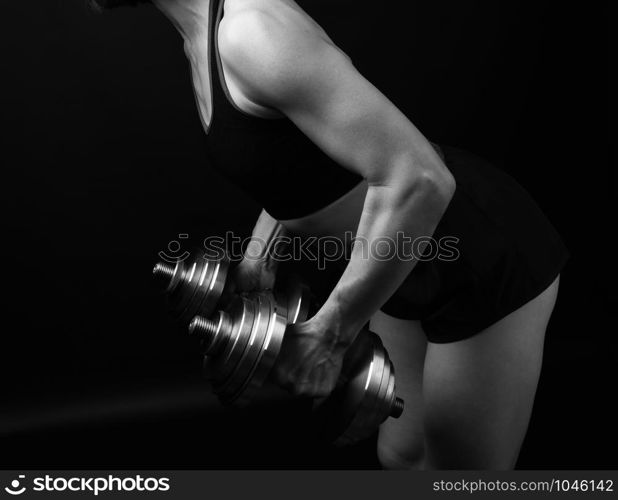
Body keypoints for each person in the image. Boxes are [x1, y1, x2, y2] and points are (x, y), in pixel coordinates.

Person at [89, 0, 568, 469]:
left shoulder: (251, 30)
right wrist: (259, 259)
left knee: (460, 473)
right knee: (401, 456)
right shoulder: (204, 37)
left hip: (476, 254)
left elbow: (419, 179)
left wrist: (329, 335)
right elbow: (290, 162)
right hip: (396, 263)